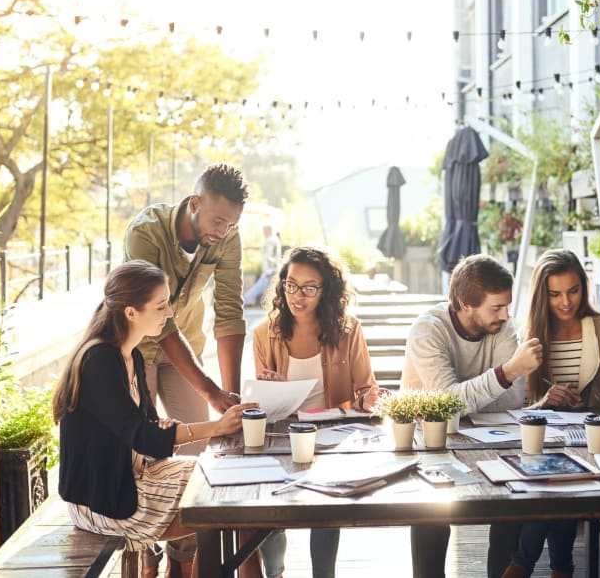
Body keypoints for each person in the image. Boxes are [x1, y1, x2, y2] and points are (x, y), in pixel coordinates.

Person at [52, 260, 257, 578]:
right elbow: (140, 434)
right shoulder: (100, 360)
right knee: (218, 501)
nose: (169, 313)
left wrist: (160, 428)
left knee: (226, 484)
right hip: (104, 499)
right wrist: (215, 426)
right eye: (161, 306)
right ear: (131, 312)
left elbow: (146, 430)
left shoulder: (130, 354)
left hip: (132, 476)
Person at [124, 162, 249, 574]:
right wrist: (212, 391)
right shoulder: (146, 233)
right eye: (217, 220)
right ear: (194, 203)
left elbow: (229, 313)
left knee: (197, 455)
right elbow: (161, 323)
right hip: (137, 350)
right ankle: (145, 552)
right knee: (140, 451)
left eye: (231, 224)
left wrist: (233, 409)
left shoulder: (227, 238)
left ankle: (183, 562)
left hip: (185, 353)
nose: (222, 231)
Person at [400, 254, 543, 578]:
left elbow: (509, 403)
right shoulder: (427, 331)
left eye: (507, 306)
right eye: (496, 307)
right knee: (433, 509)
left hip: (492, 439)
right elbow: (447, 402)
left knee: (512, 498)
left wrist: (470, 397)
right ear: (465, 303)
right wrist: (507, 371)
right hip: (428, 444)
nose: (506, 316)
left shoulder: (502, 328)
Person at [501, 249, 600, 578]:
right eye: (555, 293)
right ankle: (561, 567)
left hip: (596, 442)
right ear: (542, 294)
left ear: (583, 288)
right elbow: (515, 408)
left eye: (573, 291)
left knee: (558, 479)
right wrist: (543, 402)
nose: (565, 302)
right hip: (541, 444)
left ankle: (522, 564)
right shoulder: (528, 336)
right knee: (557, 477)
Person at [253, 246, 381, 578]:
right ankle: (275, 573)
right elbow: (260, 404)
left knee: (325, 508)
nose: (298, 295)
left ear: (326, 291)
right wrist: (270, 386)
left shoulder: (348, 330)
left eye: (310, 287)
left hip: (330, 435)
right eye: (291, 284)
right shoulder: (264, 333)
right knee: (270, 505)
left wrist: (369, 400)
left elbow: (366, 389)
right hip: (280, 435)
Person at [244, 223, 282, 308]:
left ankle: (243, 301)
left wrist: (271, 265)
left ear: (268, 230)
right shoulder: (272, 240)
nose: (263, 232)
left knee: (258, 288)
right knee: (271, 290)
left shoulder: (270, 241)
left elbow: (269, 255)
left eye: (264, 230)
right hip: (271, 270)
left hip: (270, 271)